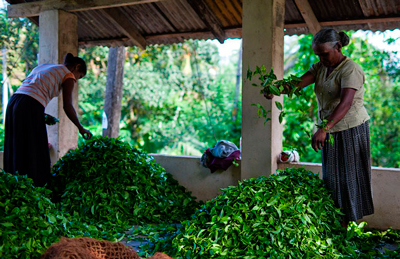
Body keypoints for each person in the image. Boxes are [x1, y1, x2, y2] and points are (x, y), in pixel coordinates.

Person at [265, 29, 374, 228]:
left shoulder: (351, 69)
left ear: (338, 47)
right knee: (332, 179)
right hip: (331, 129)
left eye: (325, 54)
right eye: (318, 55)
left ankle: (349, 230)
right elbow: (297, 83)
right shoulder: (321, 67)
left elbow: (346, 103)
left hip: (351, 129)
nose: (321, 58)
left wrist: (323, 128)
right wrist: (275, 88)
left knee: (349, 179)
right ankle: (336, 226)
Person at [3, 53, 93, 187]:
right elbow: (67, 106)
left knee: (17, 145)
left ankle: (13, 183)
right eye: (78, 76)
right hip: (30, 105)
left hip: (14, 103)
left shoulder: (43, 67)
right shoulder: (68, 75)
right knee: (37, 149)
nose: (76, 79)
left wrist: (41, 114)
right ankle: (37, 187)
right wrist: (81, 128)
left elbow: (30, 92)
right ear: (76, 67)